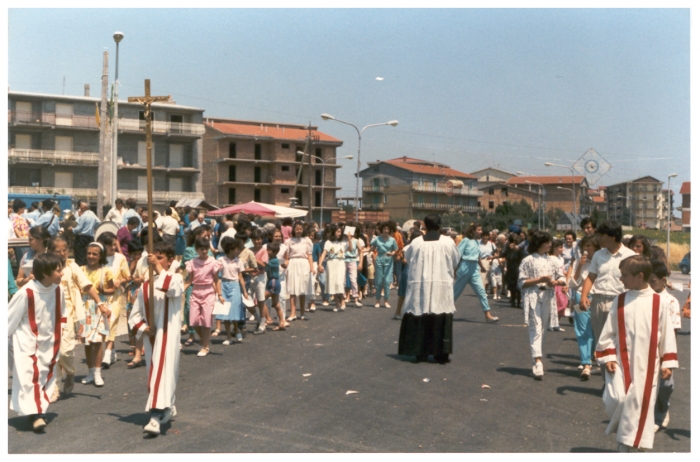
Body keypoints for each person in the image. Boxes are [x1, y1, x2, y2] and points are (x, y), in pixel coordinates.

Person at [594, 255, 678, 452]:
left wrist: (667, 362)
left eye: (624, 275)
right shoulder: (620, 300)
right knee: (617, 399)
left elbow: (666, 333)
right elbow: (609, 330)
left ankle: (631, 445)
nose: (620, 279)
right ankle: (626, 437)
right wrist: (609, 357)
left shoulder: (659, 302)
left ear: (640, 276)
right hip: (622, 363)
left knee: (642, 405)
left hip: (648, 365)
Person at [128, 241, 184, 436]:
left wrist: (159, 267)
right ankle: (164, 408)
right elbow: (134, 316)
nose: (155, 260)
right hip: (152, 340)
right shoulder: (145, 286)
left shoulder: (175, 278)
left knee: (165, 374)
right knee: (157, 375)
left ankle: (155, 417)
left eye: (160, 257)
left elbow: (170, 287)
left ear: (170, 260)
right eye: (154, 257)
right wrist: (144, 328)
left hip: (169, 337)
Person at [8, 252, 66, 433]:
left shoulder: (59, 290)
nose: (62, 273)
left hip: (50, 341)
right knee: (28, 378)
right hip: (26, 341)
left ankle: (37, 410)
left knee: (45, 376)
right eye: (58, 270)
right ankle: (37, 415)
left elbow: (62, 313)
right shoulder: (25, 293)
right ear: (46, 273)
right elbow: (9, 320)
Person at [398, 214, 460, 365]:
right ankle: (441, 355)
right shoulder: (448, 242)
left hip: (421, 285)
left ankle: (420, 352)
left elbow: (408, 258)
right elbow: (455, 260)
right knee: (440, 317)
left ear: (424, 226)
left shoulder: (417, 242)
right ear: (440, 226)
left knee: (420, 315)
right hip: (441, 284)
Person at [48, 236, 102, 400]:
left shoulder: (72, 267)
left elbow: (87, 285)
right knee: (53, 352)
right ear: (50, 252)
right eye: (58, 251)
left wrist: (100, 303)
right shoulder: (46, 267)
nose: (63, 253)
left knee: (65, 351)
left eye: (65, 250)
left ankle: (70, 372)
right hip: (50, 315)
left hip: (69, 314)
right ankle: (55, 388)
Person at [518, 230, 566, 380]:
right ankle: (538, 361)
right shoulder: (528, 260)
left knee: (544, 328)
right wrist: (539, 280)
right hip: (533, 295)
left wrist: (555, 282)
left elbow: (563, 278)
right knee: (535, 326)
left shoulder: (553, 260)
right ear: (538, 244)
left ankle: (536, 358)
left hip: (548, 296)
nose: (549, 245)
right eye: (546, 242)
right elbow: (521, 282)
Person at [580, 220, 637, 348]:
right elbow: (590, 277)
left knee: (621, 341)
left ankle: (618, 368)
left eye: (601, 236)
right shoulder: (598, 255)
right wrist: (584, 296)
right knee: (601, 342)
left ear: (612, 237)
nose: (598, 239)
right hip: (598, 302)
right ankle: (603, 368)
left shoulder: (630, 256)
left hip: (621, 302)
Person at [648, 259, 681, 433]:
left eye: (653, 281)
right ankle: (655, 416)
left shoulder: (671, 301)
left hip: (664, 348)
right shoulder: (644, 297)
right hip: (646, 347)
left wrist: (668, 356)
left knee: (665, 384)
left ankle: (663, 408)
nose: (650, 285)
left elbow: (674, 330)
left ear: (663, 280)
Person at [79, 242, 114, 387]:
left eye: (95, 254)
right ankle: (90, 371)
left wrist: (103, 290)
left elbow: (112, 289)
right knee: (87, 342)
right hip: (84, 307)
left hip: (99, 307)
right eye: (89, 253)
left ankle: (98, 373)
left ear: (100, 256)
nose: (91, 256)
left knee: (98, 341)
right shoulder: (81, 270)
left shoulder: (106, 271)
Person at [567, 234, 599, 379]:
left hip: (598, 298)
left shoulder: (602, 261)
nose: (586, 249)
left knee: (595, 331)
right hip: (581, 297)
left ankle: (592, 357)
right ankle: (586, 363)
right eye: (583, 246)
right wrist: (580, 265)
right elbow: (573, 284)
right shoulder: (579, 262)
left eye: (589, 246)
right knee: (582, 330)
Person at [184, 237, 222, 357]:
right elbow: (189, 281)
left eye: (206, 249)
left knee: (206, 320)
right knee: (193, 320)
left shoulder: (213, 262)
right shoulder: (192, 263)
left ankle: (205, 346)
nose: (204, 251)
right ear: (196, 250)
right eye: (201, 249)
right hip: (195, 291)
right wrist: (179, 290)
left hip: (208, 291)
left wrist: (219, 294)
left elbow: (217, 280)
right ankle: (202, 338)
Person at [97, 232, 131, 369]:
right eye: (109, 245)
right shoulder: (98, 258)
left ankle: (107, 353)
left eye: (113, 244)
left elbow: (128, 277)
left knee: (111, 323)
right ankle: (113, 350)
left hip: (115, 297)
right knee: (103, 324)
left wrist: (120, 281)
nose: (112, 247)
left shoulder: (121, 258)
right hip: (100, 296)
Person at [453, 223, 498, 322]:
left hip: (474, 268)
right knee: (456, 291)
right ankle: (446, 312)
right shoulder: (466, 240)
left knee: (481, 291)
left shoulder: (477, 242)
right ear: (472, 231)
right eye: (478, 230)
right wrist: (455, 269)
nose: (481, 232)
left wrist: (481, 266)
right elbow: (458, 254)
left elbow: (477, 255)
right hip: (465, 266)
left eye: (481, 230)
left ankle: (487, 314)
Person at [216, 237, 250, 344]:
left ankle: (236, 329)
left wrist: (244, 292)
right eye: (236, 249)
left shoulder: (238, 261)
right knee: (225, 312)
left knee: (235, 310)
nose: (238, 251)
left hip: (235, 285)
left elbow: (240, 277)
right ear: (230, 249)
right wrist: (218, 291)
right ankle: (228, 337)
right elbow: (216, 276)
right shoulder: (221, 260)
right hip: (224, 285)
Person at [284, 220, 314, 322]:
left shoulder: (307, 241)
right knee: (292, 290)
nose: (299, 231)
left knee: (302, 289)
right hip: (293, 263)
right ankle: (292, 313)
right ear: (294, 230)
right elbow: (286, 256)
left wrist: (312, 267)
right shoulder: (288, 241)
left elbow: (309, 255)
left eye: (300, 229)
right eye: (297, 229)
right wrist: (285, 265)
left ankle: (302, 313)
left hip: (303, 263)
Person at [318, 224, 348, 312]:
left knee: (339, 282)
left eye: (340, 231)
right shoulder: (328, 242)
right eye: (338, 231)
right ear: (334, 232)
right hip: (331, 263)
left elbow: (350, 248)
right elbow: (324, 253)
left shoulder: (343, 242)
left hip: (340, 262)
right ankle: (337, 304)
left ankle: (342, 300)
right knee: (332, 283)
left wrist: (349, 239)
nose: (339, 233)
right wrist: (320, 264)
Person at [370, 222, 398, 309]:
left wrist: (392, 253)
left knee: (386, 281)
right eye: (384, 229)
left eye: (387, 229)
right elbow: (371, 248)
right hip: (379, 259)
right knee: (378, 281)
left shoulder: (392, 240)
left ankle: (386, 301)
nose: (386, 230)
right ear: (381, 229)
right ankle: (377, 300)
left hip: (389, 261)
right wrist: (363, 250)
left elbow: (396, 249)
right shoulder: (377, 239)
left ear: (390, 230)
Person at [265, 242, 287, 330]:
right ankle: (282, 322)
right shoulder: (272, 259)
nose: (267, 252)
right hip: (273, 282)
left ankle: (268, 318)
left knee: (261, 299)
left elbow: (264, 265)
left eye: (269, 250)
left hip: (273, 282)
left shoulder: (273, 260)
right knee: (276, 304)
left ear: (274, 252)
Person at [72, 201, 101, 266]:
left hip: (81, 238)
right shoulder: (92, 214)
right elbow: (99, 222)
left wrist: (72, 229)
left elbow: (79, 228)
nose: (80, 208)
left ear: (85, 207)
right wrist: (93, 226)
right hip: (90, 237)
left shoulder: (84, 216)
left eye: (81, 206)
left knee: (80, 256)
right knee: (88, 255)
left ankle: (81, 268)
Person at [548, 239, 567, 332]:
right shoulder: (550, 258)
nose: (562, 249)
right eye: (560, 247)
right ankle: (551, 324)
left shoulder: (561, 259)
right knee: (555, 304)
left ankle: (556, 323)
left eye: (562, 247)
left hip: (561, 282)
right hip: (554, 284)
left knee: (563, 304)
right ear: (554, 248)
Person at [503, 233, 525, 308]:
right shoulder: (507, 246)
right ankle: (513, 300)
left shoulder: (519, 247)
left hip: (517, 266)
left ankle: (518, 301)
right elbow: (504, 254)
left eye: (514, 241)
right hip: (510, 266)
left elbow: (522, 255)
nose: (513, 243)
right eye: (512, 241)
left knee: (517, 285)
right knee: (511, 285)